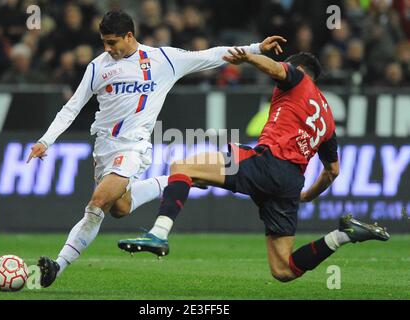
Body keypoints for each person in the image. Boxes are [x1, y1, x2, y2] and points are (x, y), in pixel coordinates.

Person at [26, 10, 280, 287]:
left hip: (133, 146)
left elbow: (210, 55)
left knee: (97, 203)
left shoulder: (162, 60)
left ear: (129, 36)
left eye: (112, 42)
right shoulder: (98, 67)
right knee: (119, 207)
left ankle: (57, 266)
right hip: (103, 146)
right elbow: (72, 107)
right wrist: (45, 140)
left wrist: (256, 48)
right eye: (104, 42)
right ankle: (176, 180)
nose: (107, 49)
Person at [118, 47, 390, 282]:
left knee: (182, 167)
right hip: (291, 182)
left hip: (268, 161)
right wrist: (306, 195)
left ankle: (158, 234)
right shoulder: (327, 117)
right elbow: (333, 171)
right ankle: (344, 235)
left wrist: (248, 57)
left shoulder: (297, 80)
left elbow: (276, 68)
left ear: (297, 69)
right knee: (284, 270)